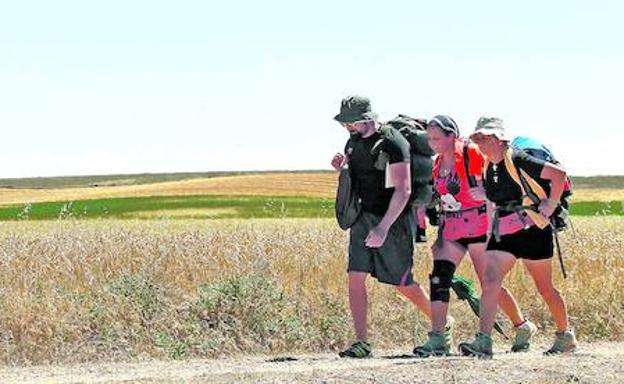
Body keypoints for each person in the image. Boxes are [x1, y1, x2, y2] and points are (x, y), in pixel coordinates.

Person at [413, 115, 534, 357]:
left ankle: (520, 327)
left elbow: (498, 183)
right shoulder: (437, 164)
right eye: (429, 138)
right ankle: (438, 338)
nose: (431, 143)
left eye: (436, 138)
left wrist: (490, 209)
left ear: (452, 136)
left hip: (480, 226)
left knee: (490, 284)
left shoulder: (472, 154)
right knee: (439, 278)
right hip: (453, 229)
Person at [458, 117, 577, 358]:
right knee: (490, 281)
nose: (481, 142)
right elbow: (497, 199)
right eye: (478, 138)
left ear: (499, 139)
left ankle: (565, 336)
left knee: (545, 289)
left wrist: (551, 204)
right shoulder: (488, 165)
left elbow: (559, 174)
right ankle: (484, 340)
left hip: (533, 229)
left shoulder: (518, 158)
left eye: (485, 137)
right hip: (505, 231)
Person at [331, 95, 431, 358]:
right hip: (363, 219)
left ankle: (441, 324)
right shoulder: (352, 142)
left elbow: (403, 189)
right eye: (345, 123)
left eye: (350, 122)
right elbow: (359, 179)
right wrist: (341, 169)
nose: (347, 127)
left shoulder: (393, 142)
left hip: (393, 220)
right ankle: (362, 342)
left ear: (366, 118)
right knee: (355, 277)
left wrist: (383, 228)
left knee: (402, 283)